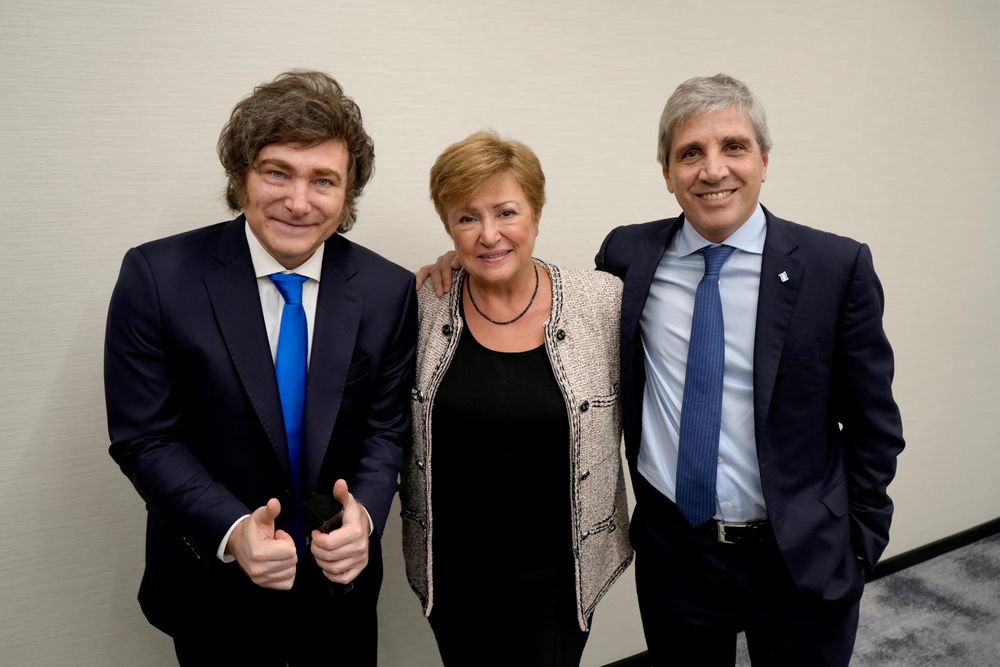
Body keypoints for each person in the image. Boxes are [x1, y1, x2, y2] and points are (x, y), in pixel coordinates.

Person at [419, 74, 904, 666]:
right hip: (678, 554)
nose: (713, 169)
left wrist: (861, 543)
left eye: (734, 146)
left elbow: (874, 424)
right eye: (690, 153)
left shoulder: (835, 267)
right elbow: (538, 290)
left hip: (800, 551)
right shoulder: (628, 258)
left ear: (764, 160)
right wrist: (461, 260)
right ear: (668, 173)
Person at [104, 70, 417, 666]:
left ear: (347, 194)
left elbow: (386, 429)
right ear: (241, 175)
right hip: (212, 584)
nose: (299, 201)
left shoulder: (388, 290)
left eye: (323, 180)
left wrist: (367, 516)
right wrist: (231, 528)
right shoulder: (156, 277)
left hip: (339, 591)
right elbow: (146, 438)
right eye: (277, 172)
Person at [400, 131, 632, 666]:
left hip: (561, 577)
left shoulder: (602, 302)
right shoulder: (421, 308)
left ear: (536, 213)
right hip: (454, 576)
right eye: (467, 217)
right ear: (448, 227)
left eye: (506, 212)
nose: (489, 235)